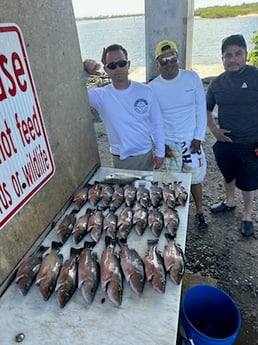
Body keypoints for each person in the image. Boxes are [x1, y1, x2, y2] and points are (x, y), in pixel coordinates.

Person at [149, 40, 208, 230]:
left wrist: (199, 137)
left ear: (178, 58)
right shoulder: (152, 87)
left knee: (196, 181)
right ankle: (172, 216)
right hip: (168, 144)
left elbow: (201, 108)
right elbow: (150, 120)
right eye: (163, 61)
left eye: (172, 58)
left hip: (192, 142)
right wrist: (159, 144)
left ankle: (199, 212)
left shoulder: (192, 77)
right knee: (169, 183)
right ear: (157, 64)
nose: (169, 64)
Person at [206, 34, 258, 237]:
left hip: (251, 141)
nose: (233, 59)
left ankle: (247, 215)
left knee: (248, 181)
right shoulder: (218, 83)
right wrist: (214, 130)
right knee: (228, 174)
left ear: (245, 54)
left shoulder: (255, 76)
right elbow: (207, 109)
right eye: (228, 55)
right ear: (223, 58)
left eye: (238, 54)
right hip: (226, 141)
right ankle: (229, 201)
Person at [83, 44, 165, 171]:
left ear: (128, 64)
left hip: (145, 155)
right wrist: (85, 72)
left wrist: (160, 152)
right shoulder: (100, 96)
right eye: (112, 65)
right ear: (106, 69)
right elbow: (74, 93)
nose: (118, 68)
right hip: (121, 159)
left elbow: (157, 123)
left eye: (121, 63)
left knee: (147, 189)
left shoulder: (146, 91)